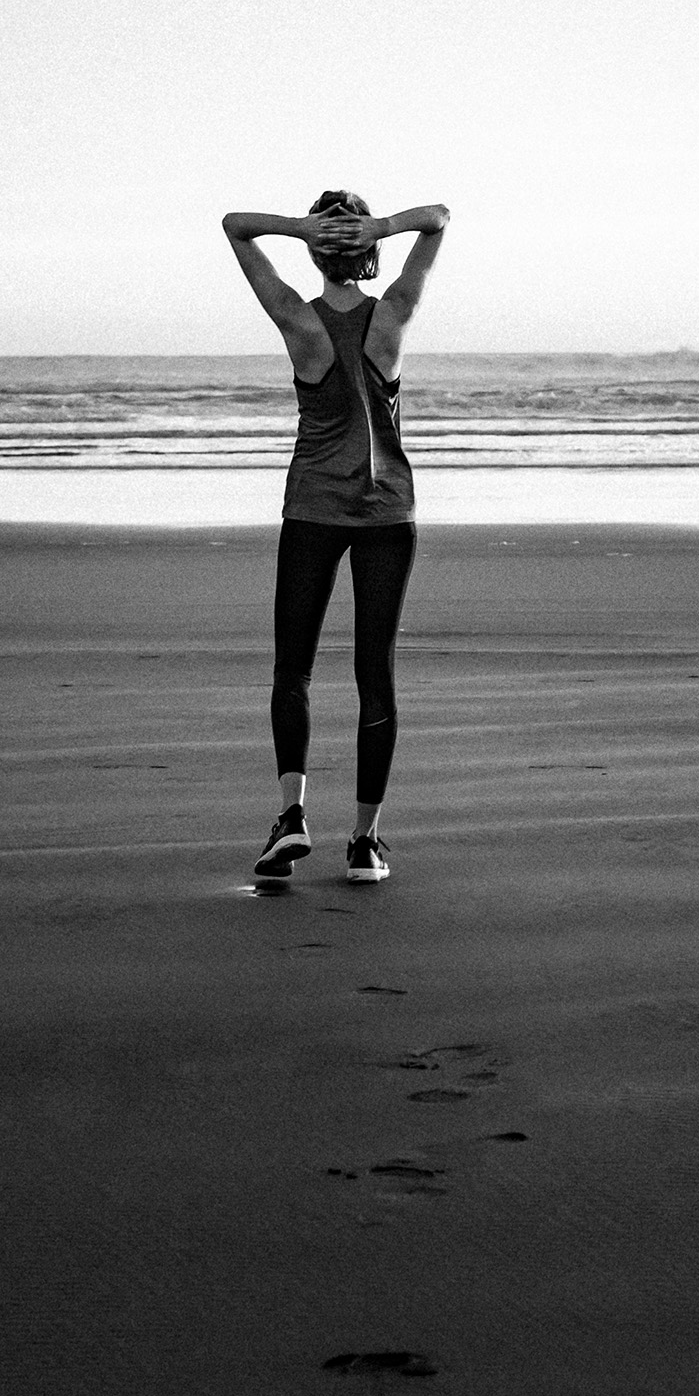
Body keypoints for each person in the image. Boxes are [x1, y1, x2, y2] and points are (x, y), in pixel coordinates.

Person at [221, 192, 450, 883]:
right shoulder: (392, 318)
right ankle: (364, 843)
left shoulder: (297, 319)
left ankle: (291, 816)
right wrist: (381, 227)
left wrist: (298, 229)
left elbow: (235, 227)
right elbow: (438, 218)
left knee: (293, 669)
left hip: (313, 510)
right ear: (370, 254)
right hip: (387, 513)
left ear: (318, 252)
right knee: (373, 676)